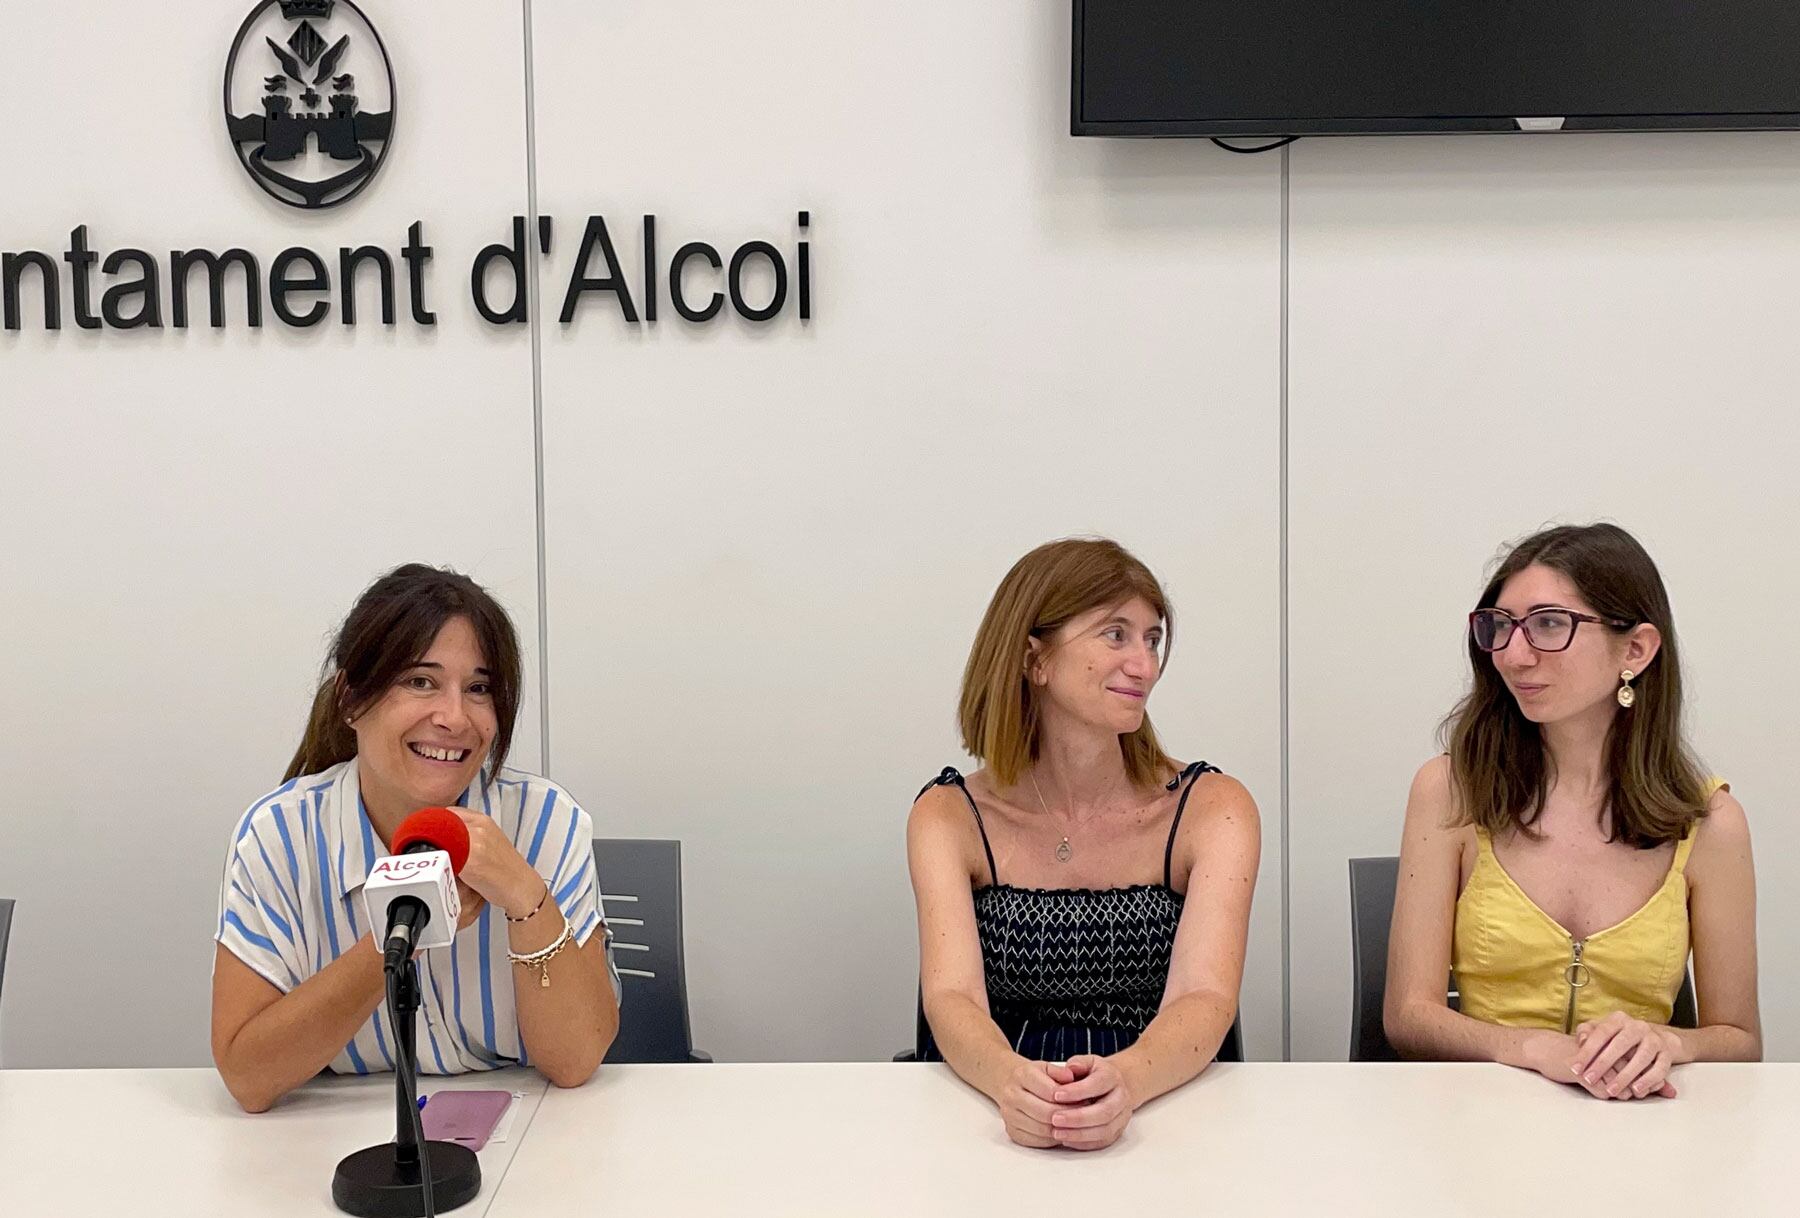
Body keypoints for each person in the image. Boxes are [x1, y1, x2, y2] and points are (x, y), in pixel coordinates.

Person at [210, 564, 620, 1112]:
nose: (453, 717)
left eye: (479, 689)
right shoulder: (279, 837)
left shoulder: (545, 821)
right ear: (351, 699)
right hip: (331, 1143)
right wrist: (404, 929)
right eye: (420, 681)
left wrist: (526, 896)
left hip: (535, 1134)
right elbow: (247, 1077)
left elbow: (574, 1063)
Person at [907, 538, 1260, 1151]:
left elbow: (1204, 996)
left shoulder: (1213, 808)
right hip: (994, 1110)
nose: (1144, 665)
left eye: (1151, 639)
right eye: (1115, 635)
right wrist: (1013, 1084)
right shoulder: (948, 815)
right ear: (1033, 658)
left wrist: (1122, 1083)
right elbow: (952, 995)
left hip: (1164, 1108)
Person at [1386, 523, 1760, 1099]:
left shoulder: (1710, 821)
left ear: (1635, 649)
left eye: (1550, 624)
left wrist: (1673, 1042)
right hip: (1481, 1120)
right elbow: (1408, 1018)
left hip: (1639, 1125)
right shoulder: (1450, 791)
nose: (1513, 654)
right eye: (1500, 627)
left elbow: (1739, 1039)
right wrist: (1530, 1049)